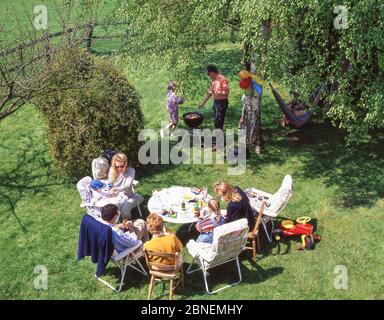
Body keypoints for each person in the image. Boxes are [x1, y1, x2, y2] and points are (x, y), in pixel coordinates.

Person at [198, 64, 229, 148]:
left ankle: (220, 143)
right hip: (216, 102)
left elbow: (226, 93)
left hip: (222, 102)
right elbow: (210, 92)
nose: (208, 76)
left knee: (219, 122)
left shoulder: (222, 79)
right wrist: (202, 102)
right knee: (216, 122)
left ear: (212, 72)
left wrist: (218, 92)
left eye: (208, 74)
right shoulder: (214, 80)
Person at [107, 153, 144, 220]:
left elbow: (127, 186)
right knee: (109, 209)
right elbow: (109, 184)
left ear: (126, 164)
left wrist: (115, 189)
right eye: (117, 166)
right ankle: (113, 225)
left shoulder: (131, 171)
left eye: (122, 166)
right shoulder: (112, 170)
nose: (119, 168)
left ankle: (127, 224)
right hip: (116, 197)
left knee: (124, 211)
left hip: (129, 196)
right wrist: (109, 189)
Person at [239, 62, 262, 155]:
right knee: (244, 123)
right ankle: (246, 143)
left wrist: (253, 78)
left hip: (254, 105)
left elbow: (259, 91)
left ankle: (256, 144)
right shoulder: (246, 78)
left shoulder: (257, 80)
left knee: (254, 123)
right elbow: (243, 86)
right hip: (247, 105)